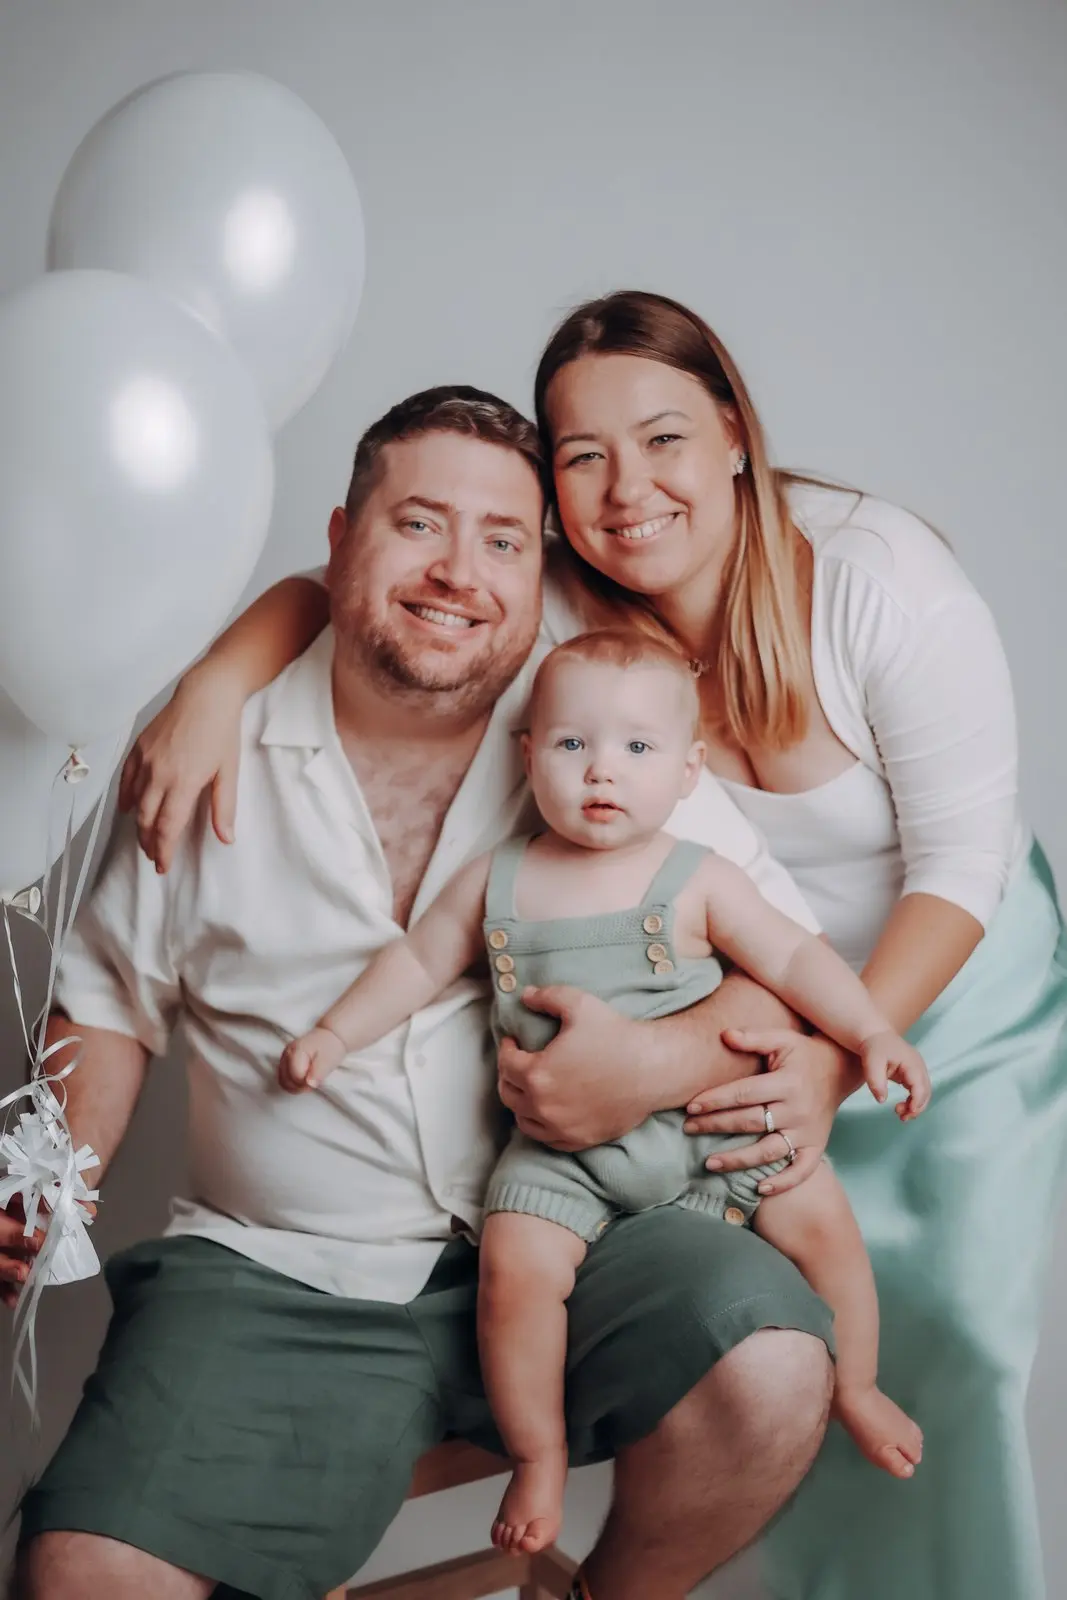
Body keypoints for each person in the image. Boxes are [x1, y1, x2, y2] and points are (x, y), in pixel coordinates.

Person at [120, 293, 1067, 1600]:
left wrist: (829, 1062)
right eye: (580, 457)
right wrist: (214, 685)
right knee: (742, 1309)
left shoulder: (872, 579)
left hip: (927, 993)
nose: (626, 490)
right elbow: (341, 590)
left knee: (941, 1334)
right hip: (711, 1001)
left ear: (733, 433)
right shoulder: (561, 596)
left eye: (664, 438)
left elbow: (958, 871)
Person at [4, 388, 839, 1600]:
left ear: (538, 569)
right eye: (419, 525)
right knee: (83, 1574)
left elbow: (788, 973)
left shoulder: (595, 728)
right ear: (339, 542)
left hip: (585, 1238)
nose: (460, 572)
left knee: (771, 1367)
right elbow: (111, 1001)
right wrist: (56, 1182)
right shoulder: (204, 743)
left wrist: (667, 1064)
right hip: (277, 1273)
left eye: (502, 540)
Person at [281, 626, 929, 1557]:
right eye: (572, 744)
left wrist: (870, 1032)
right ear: (527, 754)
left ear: (688, 770)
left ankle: (858, 1386)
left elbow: (791, 957)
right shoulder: (497, 880)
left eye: (637, 748)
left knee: (824, 1224)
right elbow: (416, 963)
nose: (601, 772)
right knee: (514, 1275)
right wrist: (335, 1033)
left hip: (711, 1127)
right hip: (562, 1155)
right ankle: (536, 1455)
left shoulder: (696, 877)